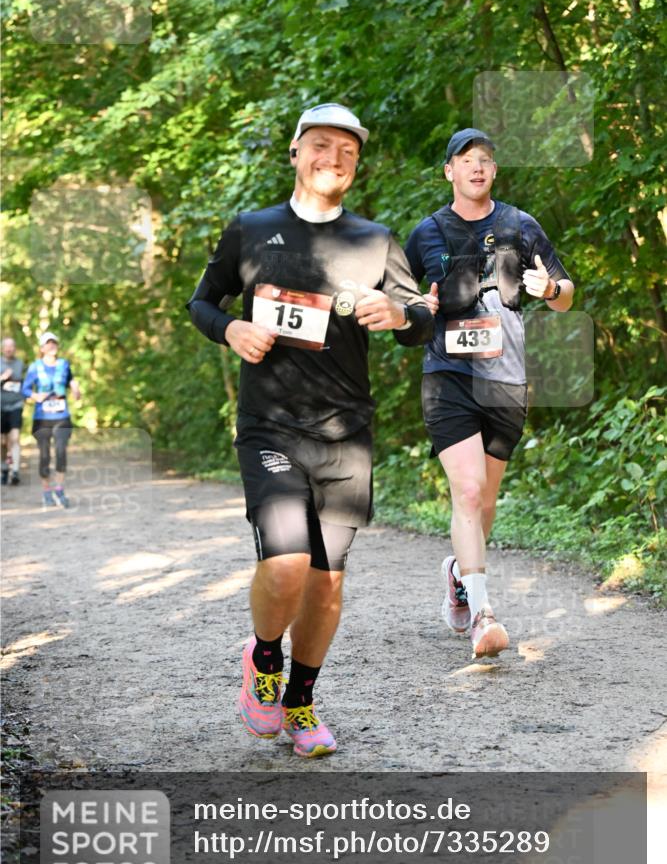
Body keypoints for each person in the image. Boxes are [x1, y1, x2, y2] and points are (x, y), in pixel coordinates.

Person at [188, 102, 435, 757]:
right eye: (321, 145)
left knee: (327, 580)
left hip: (346, 434)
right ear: (295, 152)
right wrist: (230, 327)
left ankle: (300, 703)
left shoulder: (375, 241)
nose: (333, 158)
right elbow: (202, 301)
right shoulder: (251, 230)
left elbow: (421, 321)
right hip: (270, 427)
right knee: (288, 561)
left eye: (347, 151)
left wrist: (400, 313)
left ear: (356, 166)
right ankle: (263, 659)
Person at [405, 128, 574, 660]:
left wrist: (550, 290)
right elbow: (402, 315)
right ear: (449, 171)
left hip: (506, 378)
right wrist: (417, 312)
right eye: (465, 160)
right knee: (469, 492)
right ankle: (483, 613)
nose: (477, 167)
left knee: (487, 499)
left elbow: (566, 294)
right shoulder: (426, 234)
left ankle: (458, 570)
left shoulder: (519, 226)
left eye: (486, 160)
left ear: (494, 172)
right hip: (448, 376)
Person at [22, 332, 81, 509]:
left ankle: (60, 489)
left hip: (61, 416)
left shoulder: (64, 365)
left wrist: (75, 389)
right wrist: (34, 395)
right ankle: (46, 490)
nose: (52, 346)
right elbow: (25, 389)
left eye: (54, 342)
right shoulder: (35, 367)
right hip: (42, 418)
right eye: (48, 343)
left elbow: (71, 381)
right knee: (45, 455)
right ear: (42, 348)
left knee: (61, 452)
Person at [1, 337, 25, 486]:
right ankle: (3, 468)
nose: (9, 349)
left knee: (15, 438)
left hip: (16, 405)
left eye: (12, 346)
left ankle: (15, 470)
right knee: (2, 442)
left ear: (15, 348)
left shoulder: (21, 364)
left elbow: (26, 383)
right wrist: (3, 377)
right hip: (0, 407)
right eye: (6, 347)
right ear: (2, 348)